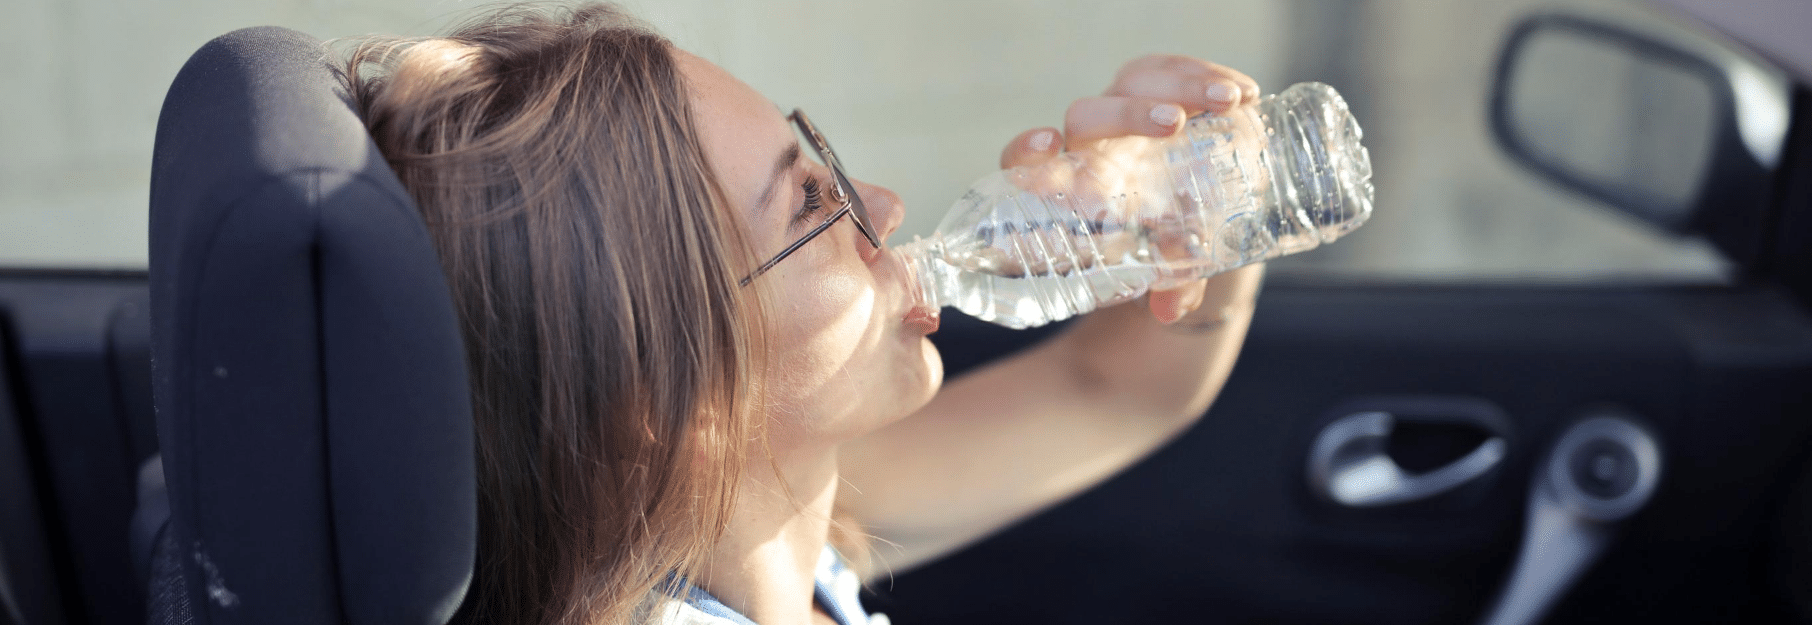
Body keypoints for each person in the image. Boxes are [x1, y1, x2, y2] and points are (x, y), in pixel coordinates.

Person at [342, 3, 1264, 624]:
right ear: (670, 401)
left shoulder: (760, 529)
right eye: (814, 208)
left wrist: (1198, 215)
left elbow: (1112, 392)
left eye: (822, 161)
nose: (889, 207)